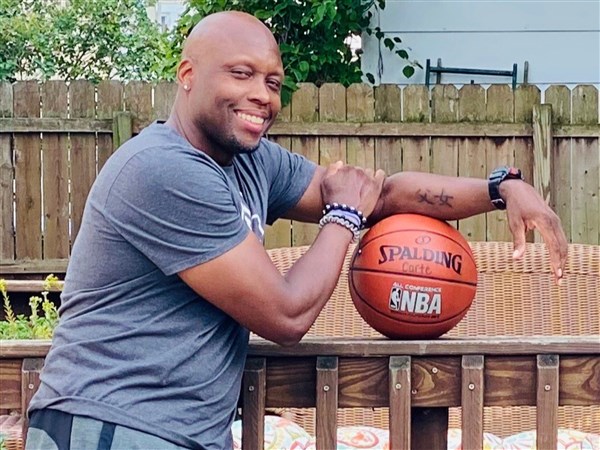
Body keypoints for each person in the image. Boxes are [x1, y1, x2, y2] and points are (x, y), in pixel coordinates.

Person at [25, 10, 568, 450]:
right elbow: (285, 314)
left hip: (178, 431)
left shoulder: (251, 160)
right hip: (110, 424)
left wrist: (502, 188)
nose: (263, 95)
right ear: (188, 75)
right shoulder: (164, 169)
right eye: (241, 74)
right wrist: (343, 218)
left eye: (273, 82)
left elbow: (377, 194)